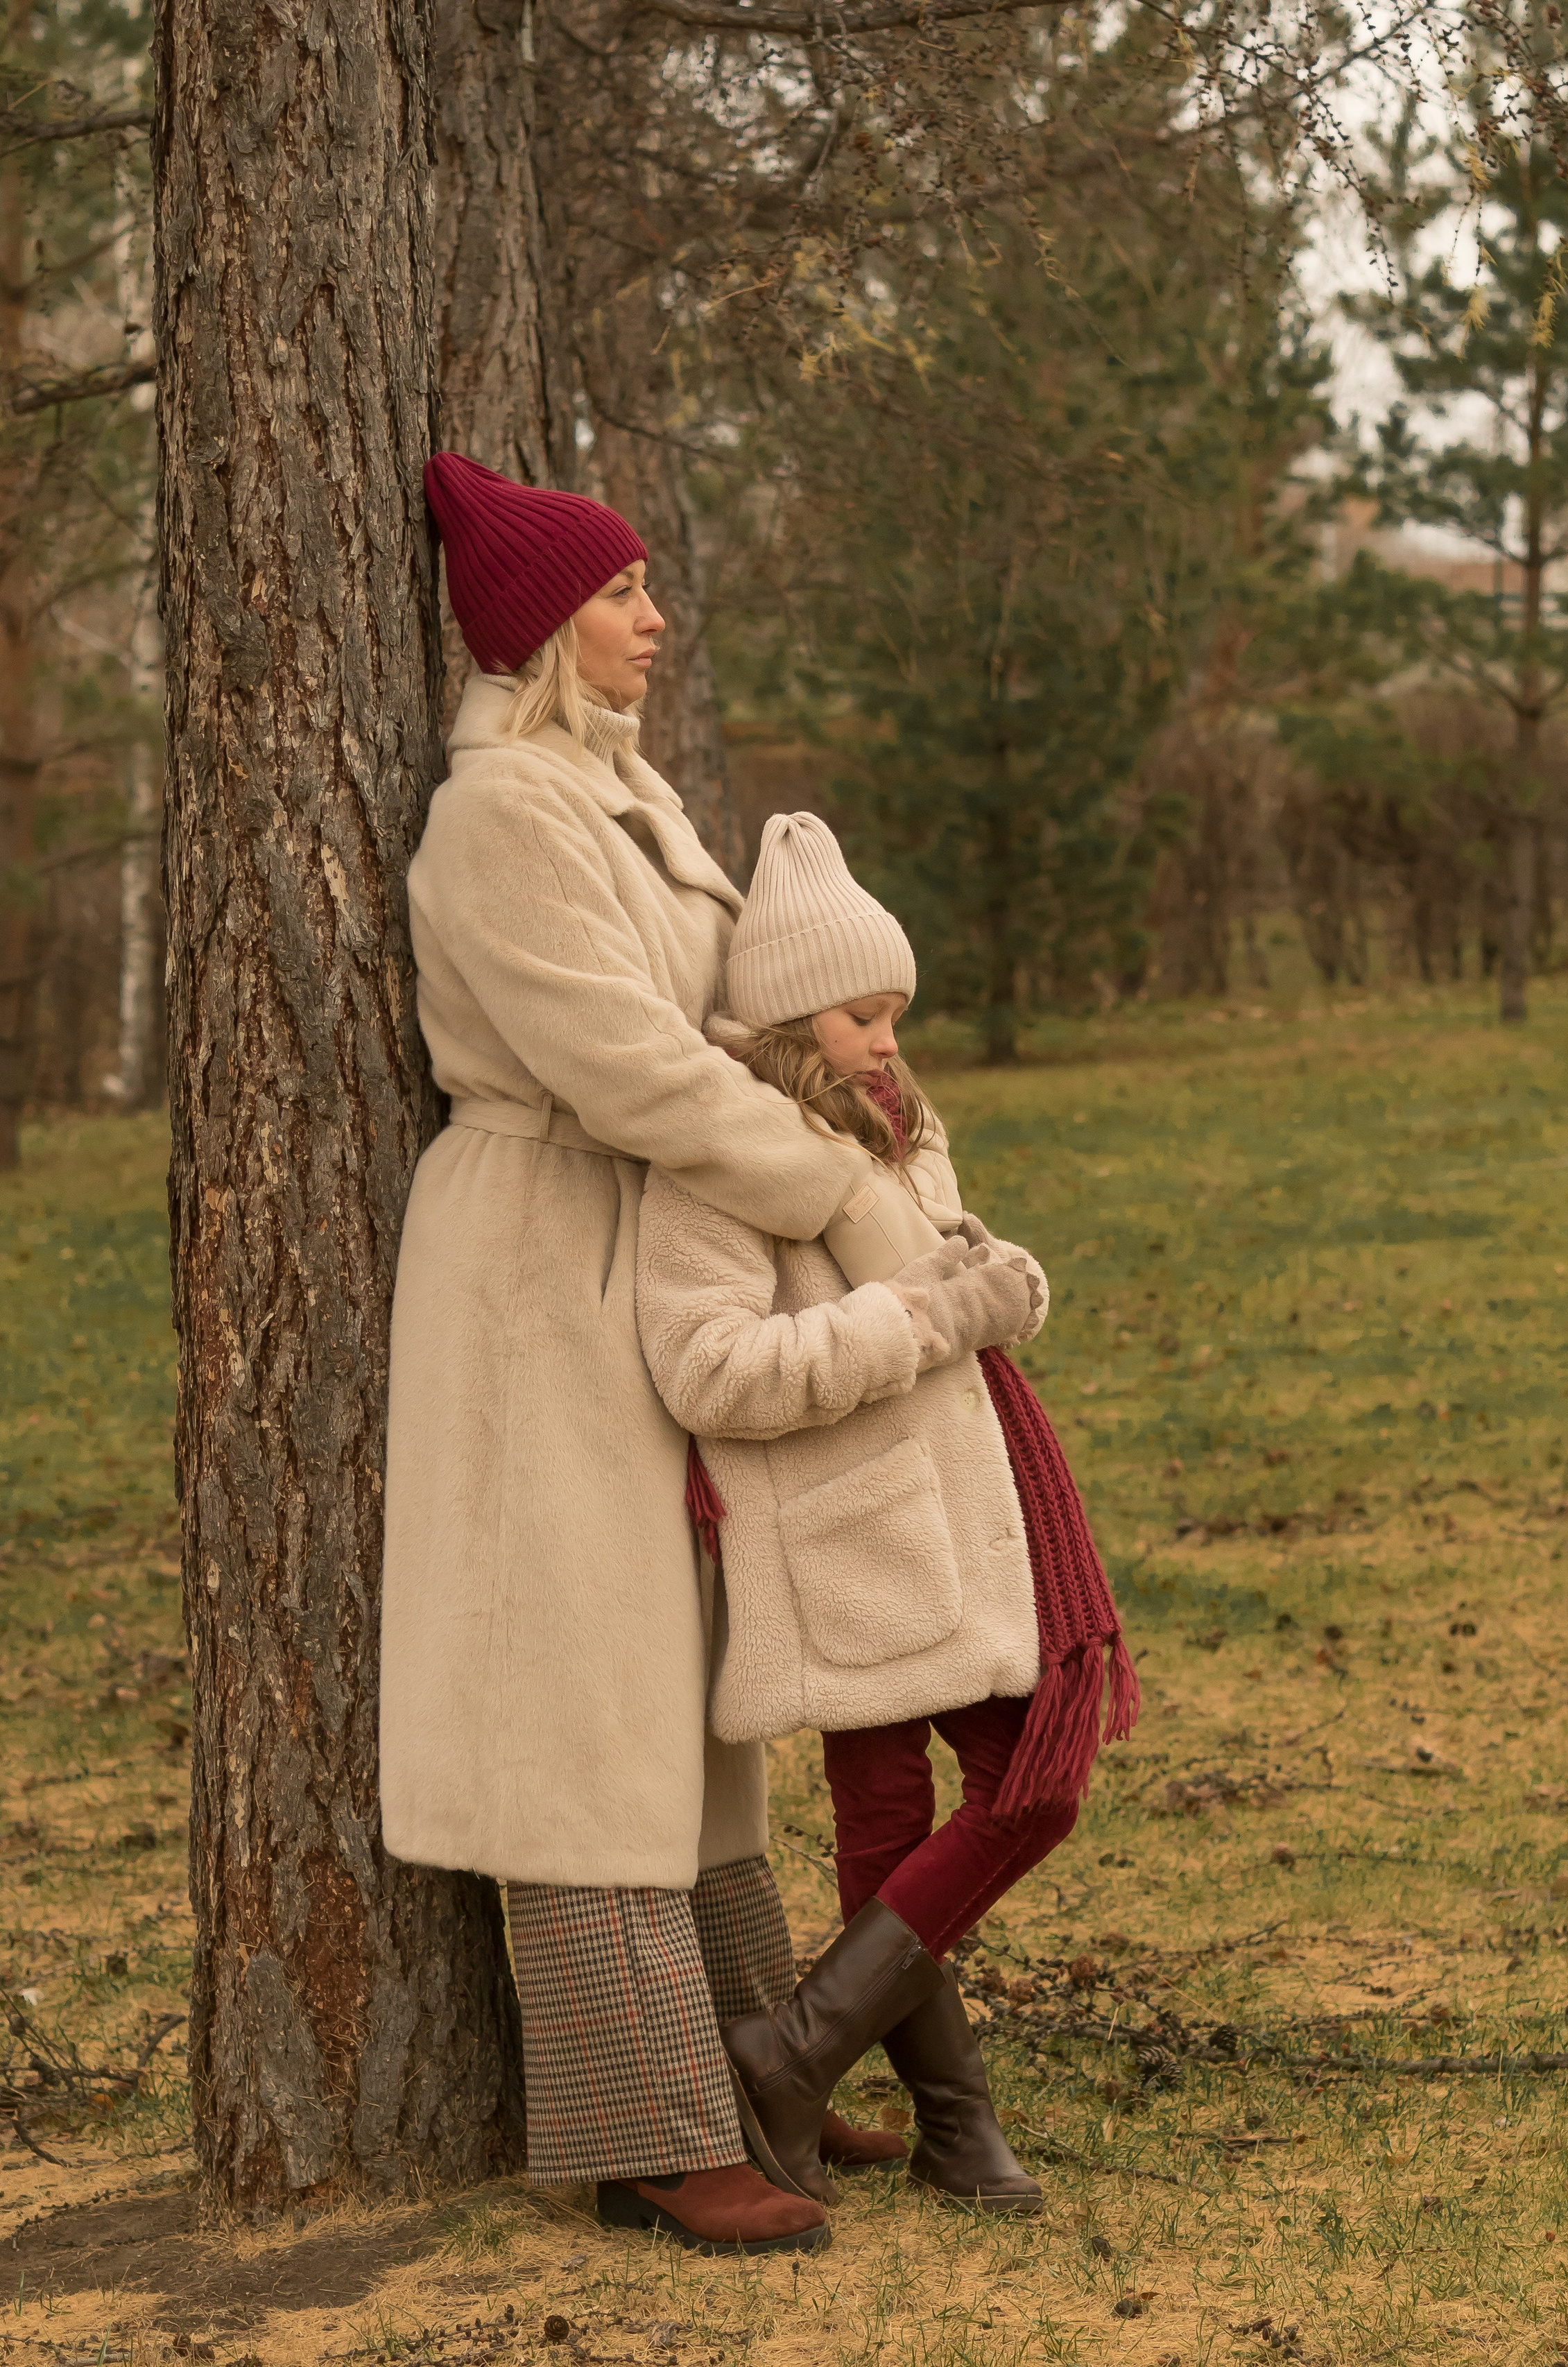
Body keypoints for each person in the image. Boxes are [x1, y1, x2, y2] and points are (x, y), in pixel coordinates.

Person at [379, 458, 902, 2258]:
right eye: (619, 592)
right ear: (543, 626)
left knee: (684, 1682)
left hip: (659, 1244)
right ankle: (649, 2131)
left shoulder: (632, 797)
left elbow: (727, 1027)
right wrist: (832, 1191)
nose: (654, 618)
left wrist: (851, 1101)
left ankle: (755, 2070)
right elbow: (630, 1067)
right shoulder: (501, 816)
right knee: (580, 1696)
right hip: (543, 1270)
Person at [634, 813, 1139, 2214]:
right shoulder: (722, 1155)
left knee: (1006, 1793)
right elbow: (706, 1367)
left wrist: (991, 1281)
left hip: (952, 1515)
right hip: (843, 1532)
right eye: (862, 1014)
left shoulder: (898, 1127)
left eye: (895, 1013)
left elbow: (940, 1283)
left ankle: (856, 2079)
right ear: (794, 1011)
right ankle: (861, 2084)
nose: (886, 1040)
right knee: (952, 1801)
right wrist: (915, 1318)